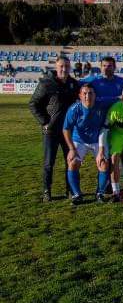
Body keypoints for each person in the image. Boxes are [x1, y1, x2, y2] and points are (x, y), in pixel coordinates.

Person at [29, 57, 80, 202]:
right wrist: (45, 121)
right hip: (51, 131)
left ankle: (70, 190)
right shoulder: (46, 83)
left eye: (67, 66)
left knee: (70, 161)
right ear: (56, 67)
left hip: (68, 132)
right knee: (48, 163)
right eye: (61, 66)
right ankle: (47, 191)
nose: (64, 69)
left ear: (70, 67)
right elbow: (33, 104)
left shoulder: (73, 84)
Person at [85, 56, 123, 190]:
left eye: (110, 66)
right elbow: (90, 97)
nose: (107, 68)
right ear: (100, 67)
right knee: (105, 154)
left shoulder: (122, 82)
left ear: (114, 67)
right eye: (104, 66)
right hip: (101, 123)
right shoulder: (94, 82)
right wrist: (113, 99)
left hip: (119, 123)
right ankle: (106, 183)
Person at [62, 84, 108, 205]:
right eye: (85, 93)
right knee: (72, 162)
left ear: (95, 95)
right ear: (80, 95)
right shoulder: (74, 109)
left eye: (91, 93)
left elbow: (104, 128)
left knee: (103, 163)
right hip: (79, 140)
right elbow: (66, 129)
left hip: (96, 140)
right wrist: (72, 149)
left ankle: (100, 193)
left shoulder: (101, 108)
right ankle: (77, 194)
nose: (88, 96)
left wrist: (102, 150)